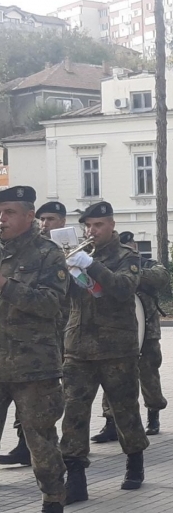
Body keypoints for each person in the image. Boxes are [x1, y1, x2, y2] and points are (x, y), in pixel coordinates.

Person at [61, 201, 149, 504]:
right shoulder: (78, 255)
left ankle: (134, 461)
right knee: (74, 413)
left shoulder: (128, 257)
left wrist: (91, 265)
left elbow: (123, 288)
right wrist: (67, 270)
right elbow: (63, 296)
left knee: (124, 410)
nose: (91, 231)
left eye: (97, 225)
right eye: (87, 226)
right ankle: (75, 476)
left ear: (111, 225)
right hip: (78, 349)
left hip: (116, 349)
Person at [0, 187, 69, 513]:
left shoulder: (48, 255)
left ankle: (53, 500)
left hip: (33, 366)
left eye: (9, 212)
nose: (2, 219)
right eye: (0, 213)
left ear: (29, 216)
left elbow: (51, 304)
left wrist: (5, 285)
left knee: (40, 443)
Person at [92, 231, 171, 443]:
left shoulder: (148, 264)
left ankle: (153, 414)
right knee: (112, 376)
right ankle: (110, 422)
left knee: (149, 374)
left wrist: (131, 274)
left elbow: (161, 277)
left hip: (147, 330)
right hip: (119, 330)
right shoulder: (107, 264)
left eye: (129, 245)